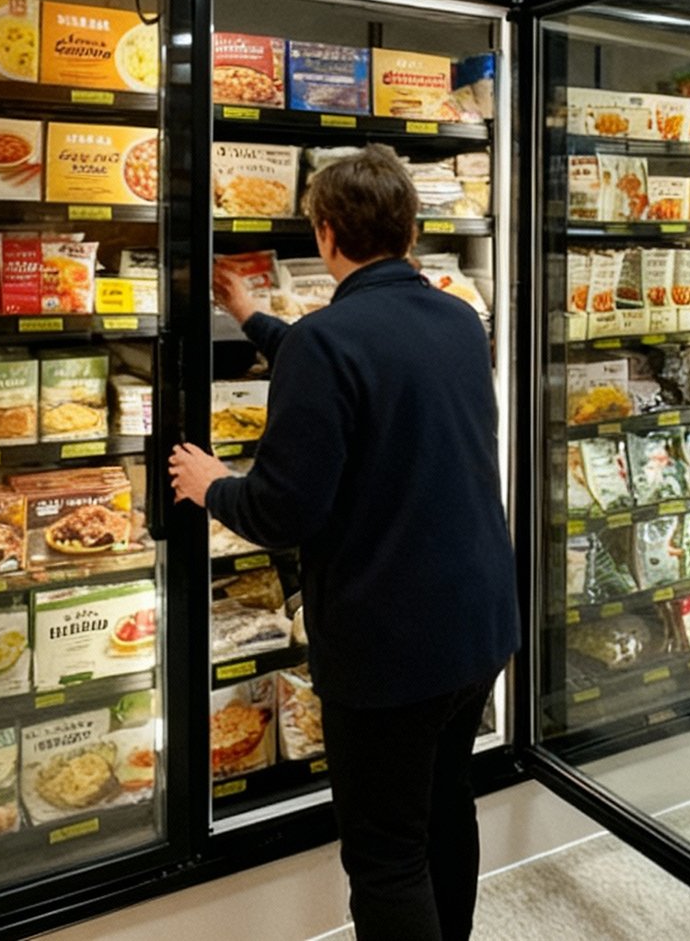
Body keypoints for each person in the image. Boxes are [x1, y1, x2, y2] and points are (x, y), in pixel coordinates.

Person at [168, 144, 517, 941]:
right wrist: (253, 315)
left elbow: (285, 509)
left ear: (325, 233)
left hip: (392, 646)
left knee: (387, 854)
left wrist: (212, 484)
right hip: (479, 623)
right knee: (443, 807)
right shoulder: (458, 317)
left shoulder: (329, 343)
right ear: (412, 228)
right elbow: (375, 363)